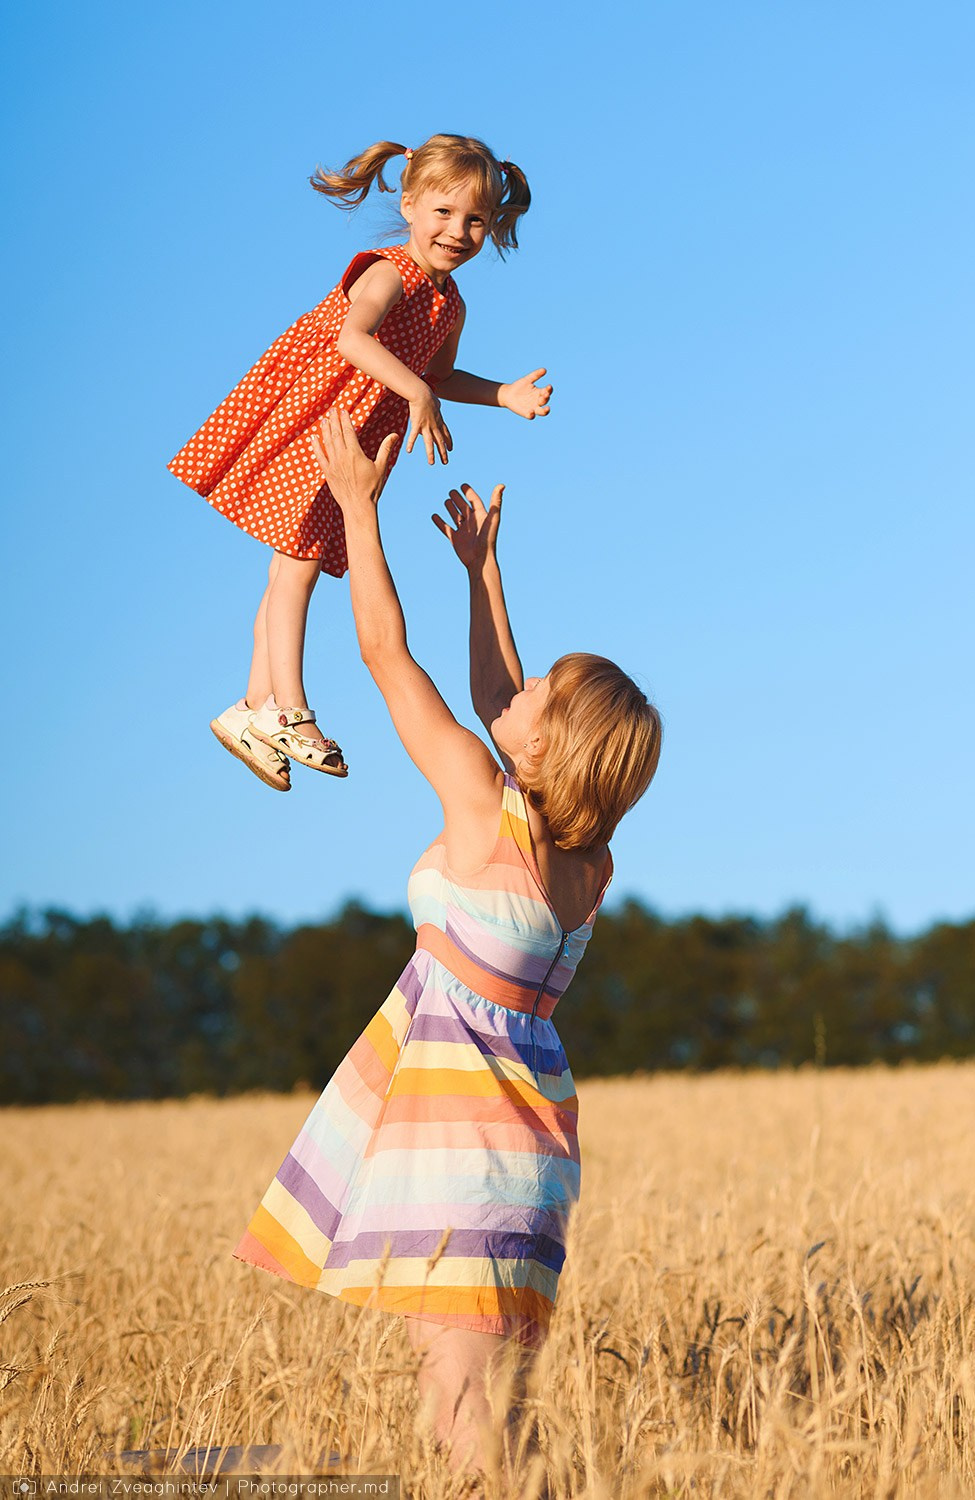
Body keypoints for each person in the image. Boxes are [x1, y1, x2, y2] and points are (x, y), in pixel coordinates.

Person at [231, 411, 663, 1480]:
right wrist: (484, 575)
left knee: (468, 1428)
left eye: (540, 697)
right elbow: (495, 703)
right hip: (527, 1158)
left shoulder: (484, 803)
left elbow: (386, 655)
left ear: (550, 742)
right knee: (473, 1413)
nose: (515, 696)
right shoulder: (585, 857)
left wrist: (357, 512)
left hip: (463, 1154)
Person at [167, 134, 552, 792]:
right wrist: (415, 392)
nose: (458, 231)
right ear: (407, 205)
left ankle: (250, 706)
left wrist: (501, 396)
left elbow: (441, 372)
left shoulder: (450, 303)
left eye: (475, 221)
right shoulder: (387, 270)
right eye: (443, 213)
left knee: (295, 561)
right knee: (298, 567)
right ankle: (287, 708)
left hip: (357, 432)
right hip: (318, 418)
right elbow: (352, 335)